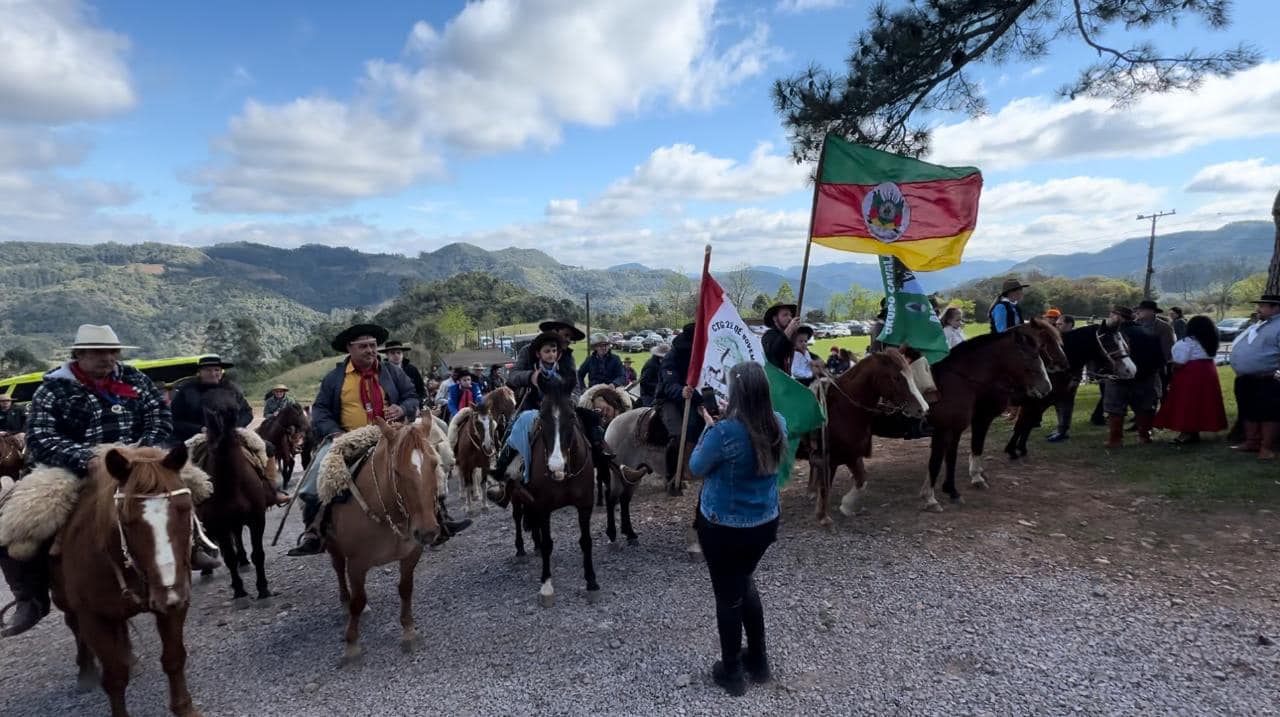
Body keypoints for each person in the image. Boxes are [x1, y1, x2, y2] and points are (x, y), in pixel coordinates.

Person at [0, 325, 217, 638]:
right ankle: (30, 597)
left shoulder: (133, 379)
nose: (108, 358)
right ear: (79, 354)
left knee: (192, 485)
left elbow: (159, 417)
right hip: (72, 466)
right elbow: (41, 435)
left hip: (135, 460)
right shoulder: (54, 387)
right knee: (15, 523)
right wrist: (85, 458)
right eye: (99, 352)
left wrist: (143, 453)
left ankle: (194, 544)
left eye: (112, 351)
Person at [288, 323, 469, 556]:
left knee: (431, 461)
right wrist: (334, 432)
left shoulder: (393, 372)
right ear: (349, 349)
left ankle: (440, 517)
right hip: (350, 437)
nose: (370, 350)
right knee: (317, 474)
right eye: (363, 346)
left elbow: (412, 396)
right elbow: (321, 410)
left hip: (394, 434)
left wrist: (402, 408)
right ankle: (314, 530)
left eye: (373, 346)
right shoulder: (335, 379)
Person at [689, 361, 785, 696]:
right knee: (745, 583)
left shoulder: (723, 432)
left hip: (723, 527)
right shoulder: (779, 423)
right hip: (764, 523)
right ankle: (758, 660)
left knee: (727, 597)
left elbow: (696, 466)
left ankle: (731, 671)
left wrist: (710, 427)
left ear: (737, 392)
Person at [485, 332, 576, 505]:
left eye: (553, 350)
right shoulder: (527, 353)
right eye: (547, 350)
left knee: (590, 421)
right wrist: (529, 377)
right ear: (539, 352)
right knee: (510, 434)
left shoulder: (564, 361)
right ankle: (502, 481)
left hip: (561, 407)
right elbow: (513, 376)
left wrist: (571, 398)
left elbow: (576, 384)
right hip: (533, 407)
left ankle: (606, 461)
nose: (551, 354)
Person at [1154, 315, 1226, 444]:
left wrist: (1171, 365)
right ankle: (1196, 429)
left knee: (1187, 402)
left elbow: (1180, 362)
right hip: (1208, 372)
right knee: (1203, 402)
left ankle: (1187, 432)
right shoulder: (1209, 341)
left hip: (1190, 374)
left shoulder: (1187, 342)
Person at [1102, 307, 1165, 447]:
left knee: (1115, 408)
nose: (1109, 318)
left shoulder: (1114, 334)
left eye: (1111, 315)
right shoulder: (1148, 331)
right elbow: (1159, 356)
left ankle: (1115, 440)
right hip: (1146, 376)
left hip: (1119, 377)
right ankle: (1144, 436)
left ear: (1119, 317)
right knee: (1145, 407)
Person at [1228, 295, 1280, 459]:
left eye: (1263, 306)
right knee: (1248, 410)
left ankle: (1267, 448)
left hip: (1267, 378)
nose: (1258, 309)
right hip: (1246, 378)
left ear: (1275, 308)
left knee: (1268, 413)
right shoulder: (1260, 325)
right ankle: (1252, 442)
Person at [659, 323, 704, 494]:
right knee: (678, 435)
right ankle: (671, 477)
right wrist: (681, 391)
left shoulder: (704, 354)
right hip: (669, 399)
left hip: (695, 397)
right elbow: (668, 385)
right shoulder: (672, 356)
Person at [170, 355, 253, 443]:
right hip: (196, 438)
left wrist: (235, 427)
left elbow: (247, 412)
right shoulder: (187, 391)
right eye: (208, 370)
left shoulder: (232, 389)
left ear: (221, 372)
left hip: (233, 435)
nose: (213, 374)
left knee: (265, 448)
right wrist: (200, 429)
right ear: (199, 372)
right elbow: (175, 421)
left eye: (216, 370)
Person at [1045, 314, 1079, 443]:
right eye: (1057, 324)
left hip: (1069, 377)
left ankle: (1063, 431)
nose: (1056, 326)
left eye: (1060, 324)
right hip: (1058, 377)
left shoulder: (1075, 340)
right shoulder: (1059, 338)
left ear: (1069, 324)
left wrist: (1076, 378)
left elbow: (1079, 362)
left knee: (1066, 404)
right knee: (1058, 404)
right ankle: (1059, 428)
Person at [760, 304, 800, 371]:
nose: (790, 318)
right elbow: (774, 353)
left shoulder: (792, 337)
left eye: (790, 315)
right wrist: (790, 328)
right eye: (785, 315)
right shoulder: (768, 336)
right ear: (775, 318)